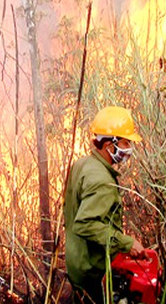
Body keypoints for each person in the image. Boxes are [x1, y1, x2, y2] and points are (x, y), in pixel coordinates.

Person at [64, 106, 146, 303]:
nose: (129, 149)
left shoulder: (83, 164)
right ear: (110, 144)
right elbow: (85, 223)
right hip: (91, 271)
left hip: (77, 260)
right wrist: (126, 243)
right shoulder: (102, 180)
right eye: (126, 143)